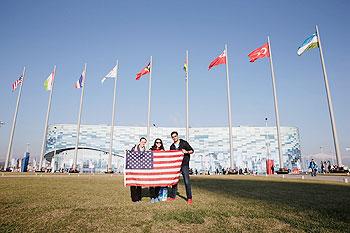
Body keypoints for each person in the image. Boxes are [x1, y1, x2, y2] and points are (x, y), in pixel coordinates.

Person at [168, 131, 194, 204]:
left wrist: (186, 152)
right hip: (176, 165)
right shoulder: (172, 146)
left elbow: (192, 151)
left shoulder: (184, 143)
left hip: (184, 164)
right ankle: (173, 196)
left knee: (186, 181)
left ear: (177, 136)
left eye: (175, 136)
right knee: (174, 181)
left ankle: (189, 198)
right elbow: (171, 156)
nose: (174, 138)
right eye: (173, 137)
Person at [129, 137, 147, 202]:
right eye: (142, 142)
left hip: (140, 169)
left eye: (144, 142)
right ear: (139, 142)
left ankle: (139, 197)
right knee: (133, 183)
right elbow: (130, 156)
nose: (143, 143)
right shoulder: (135, 148)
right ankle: (134, 198)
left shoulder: (145, 149)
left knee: (139, 183)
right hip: (134, 168)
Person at [149, 138, 165, 203]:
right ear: (155, 143)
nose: (158, 144)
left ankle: (156, 196)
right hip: (152, 169)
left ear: (161, 144)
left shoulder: (163, 150)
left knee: (158, 183)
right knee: (151, 184)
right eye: (157, 142)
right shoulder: (151, 149)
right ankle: (152, 197)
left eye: (159, 142)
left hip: (159, 169)